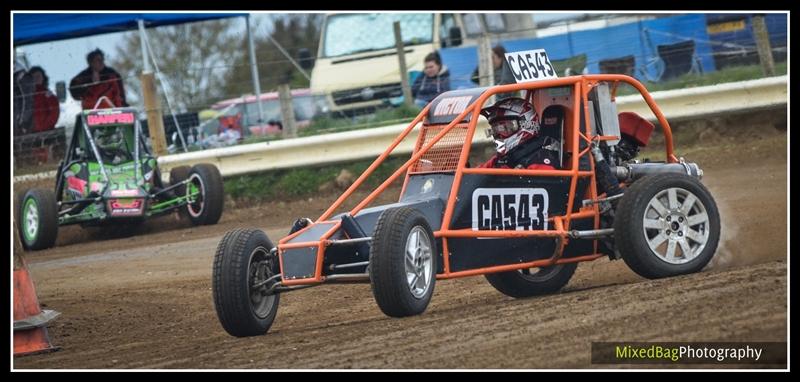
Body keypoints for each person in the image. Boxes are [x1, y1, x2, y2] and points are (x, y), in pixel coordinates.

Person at [478, 97, 559, 170]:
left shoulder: (541, 160)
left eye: (506, 127)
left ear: (527, 124)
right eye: (495, 129)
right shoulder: (501, 158)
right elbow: (477, 174)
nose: (500, 134)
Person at [26, 66, 60, 133]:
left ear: (43, 78)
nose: (37, 78)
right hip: (29, 131)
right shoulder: (26, 95)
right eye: (34, 76)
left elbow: (54, 110)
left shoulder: (47, 94)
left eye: (39, 76)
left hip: (46, 131)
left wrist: (47, 126)